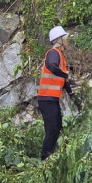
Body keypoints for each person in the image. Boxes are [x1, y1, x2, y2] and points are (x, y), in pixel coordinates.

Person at [37, 25, 73, 159]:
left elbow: (62, 79)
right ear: (60, 40)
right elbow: (52, 67)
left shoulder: (60, 56)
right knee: (52, 129)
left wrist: (71, 93)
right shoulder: (54, 53)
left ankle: (49, 156)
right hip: (46, 99)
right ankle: (44, 159)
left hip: (51, 99)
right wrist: (65, 74)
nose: (67, 41)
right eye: (65, 38)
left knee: (57, 126)